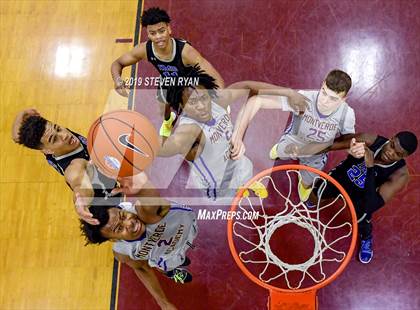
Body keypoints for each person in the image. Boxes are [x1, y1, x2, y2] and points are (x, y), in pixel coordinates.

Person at [158, 65, 308, 201]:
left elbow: (246, 86)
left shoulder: (218, 101)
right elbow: (164, 148)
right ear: (181, 106)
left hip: (237, 162)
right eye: (192, 102)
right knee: (235, 204)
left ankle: (246, 186)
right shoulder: (189, 130)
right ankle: (166, 126)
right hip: (220, 185)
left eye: (203, 98)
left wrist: (288, 93)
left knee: (245, 170)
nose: (201, 106)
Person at [232, 69, 355, 202]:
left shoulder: (347, 114)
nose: (324, 101)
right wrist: (238, 136)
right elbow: (257, 101)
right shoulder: (303, 99)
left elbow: (347, 141)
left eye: (333, 99)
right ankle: (279, 150)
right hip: (292, 142)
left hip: (316, 155)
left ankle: (305, 183)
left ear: (343, 99)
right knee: (280, 151)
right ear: (322, 85)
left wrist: (353, 150)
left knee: (307, 183)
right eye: (324, 93)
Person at [11, 109, 146, 224]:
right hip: (105, 199)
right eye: (54, 139)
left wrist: (23, 113)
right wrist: (80, 201)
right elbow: (79, 183)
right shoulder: (72, 166)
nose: (64, 136)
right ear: (46, 151)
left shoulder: (54, 136)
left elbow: (16, 137)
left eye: (58, 128)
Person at [80, 182, 197, 310]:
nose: (129, 223)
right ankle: (171, 272)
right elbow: (142, 268)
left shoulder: (144, 211)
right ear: (114, 239)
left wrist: (140, 184)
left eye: (123, 216)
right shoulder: (123, 252)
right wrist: (164, 304)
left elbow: (150, 197)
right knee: (162, 265)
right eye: (119, 228)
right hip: (166, 255)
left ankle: (174, 263)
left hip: (187, 229)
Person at [111, 7, 224, 137]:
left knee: (198, 111)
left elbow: (215, 77)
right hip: (169, 81)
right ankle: (168, 120)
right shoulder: (144, 50)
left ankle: (211, 118)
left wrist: (221, 100)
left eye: (161, 31)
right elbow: (117, 63)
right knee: (162, 110)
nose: (158, 37)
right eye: (153, 33)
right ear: (148, 34)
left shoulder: (186, 52)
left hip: (192, 82)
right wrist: (118, 80)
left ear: (169, 29)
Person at [312, 131, 418, 263]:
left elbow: (371, 205)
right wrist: (302, 149)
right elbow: (332, 145)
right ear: (391, 139)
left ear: (405, 157)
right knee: (317, 194)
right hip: (342, 177)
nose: (391, 153)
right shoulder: (369, 140)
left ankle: (366, 237)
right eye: (392, 146)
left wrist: (370, 166)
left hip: (363, 195)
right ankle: (324, 196)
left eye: (398, 154)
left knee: (362, 218)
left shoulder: (400, 175)